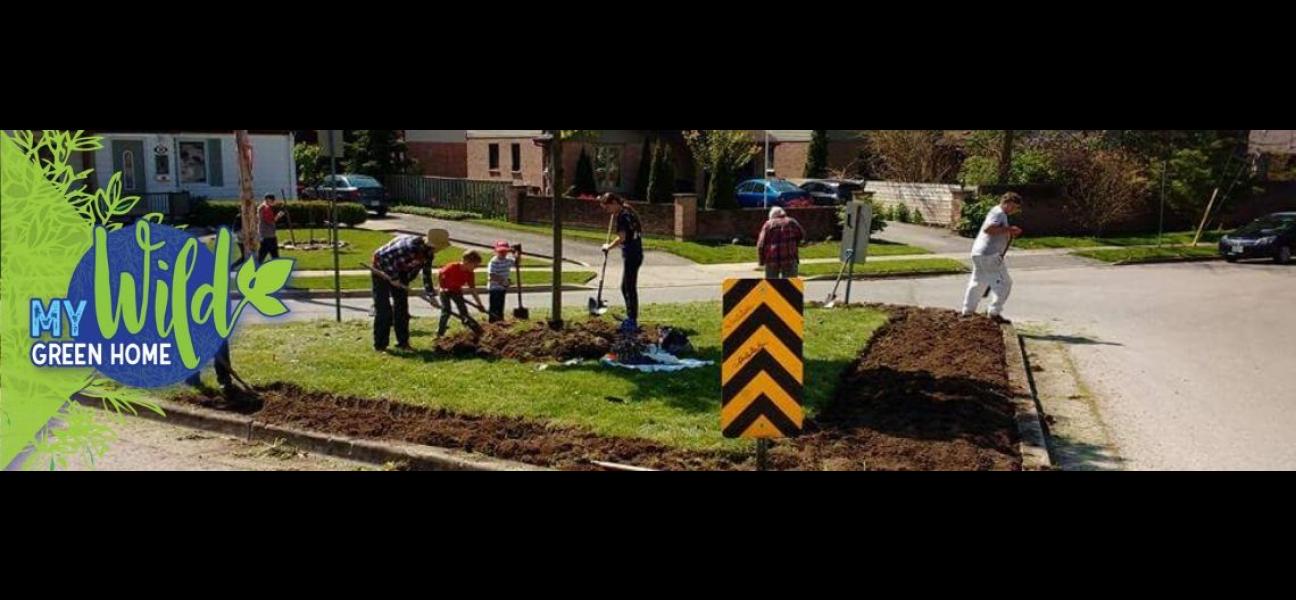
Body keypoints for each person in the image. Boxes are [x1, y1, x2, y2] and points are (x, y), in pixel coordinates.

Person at [372, 229, 450, 351]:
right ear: (432, 244)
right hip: (381, 268)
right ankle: (380, 346)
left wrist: (431, 296)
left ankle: (403, 343)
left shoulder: (429, 252)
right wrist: (394, 278)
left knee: (402, 308)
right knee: (383, 309)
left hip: (401, 270)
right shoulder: (409, 248)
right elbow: (386, 261)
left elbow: (426, 274)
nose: (439, 250)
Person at [961, 192, 1024, 323]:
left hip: (979, 253)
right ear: (1008, 203)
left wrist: (1007, 230)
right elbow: (989, 229)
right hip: (990, 255)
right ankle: (994, 312)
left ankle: (967, 312)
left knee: (978, 282)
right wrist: (1010, 230)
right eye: (1014, 207)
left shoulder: (996, 211)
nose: (1015, 210)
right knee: (1004, 283)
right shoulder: (999, 213)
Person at [599, 193, 644, 327]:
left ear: (614, 203)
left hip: (632, 254)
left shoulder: (623, 217)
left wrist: (608, 247)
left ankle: (632, 319)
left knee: (628, 287)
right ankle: (631, 316)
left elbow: (622, 238)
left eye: (607, 208)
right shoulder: (628, 212)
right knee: (626, 287)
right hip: (636, 252)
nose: (607, 212)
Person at [437, 250, 486, 336]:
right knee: (446, 311)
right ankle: (440, 333)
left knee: (463, 312)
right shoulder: (452, 267)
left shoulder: (470, 274)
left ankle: (475, 330)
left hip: (456, 291)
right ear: (467, 262)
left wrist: (479, 304)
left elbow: (473, 290)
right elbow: (440, 275)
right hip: (445, 291)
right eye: (475, 265)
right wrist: (442, 288)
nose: (476, 267)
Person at [756, 206, 806, 279]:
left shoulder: (768, 224)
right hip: (789, 257)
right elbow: (801, 235)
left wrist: (761, 261)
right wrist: (794, 244)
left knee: (771, 284)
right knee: (790, 284)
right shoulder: (791, 222)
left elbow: (761, 244)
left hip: (771, 259)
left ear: (772, 216)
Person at [486, 241, 518, 323]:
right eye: (500, 252)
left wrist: (516, 254)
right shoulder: (494, 261)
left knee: (500, 306)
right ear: (496, 252)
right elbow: (492, 275)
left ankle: (500, 321)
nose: (503, 253)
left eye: (505, 251)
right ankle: (492, 322)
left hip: (502, 288)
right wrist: (504, 281)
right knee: (494, 306)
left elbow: (517, 263)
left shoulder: (507, 261)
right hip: (494, 288)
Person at [257, 194, 286, 264]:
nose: (273, 201)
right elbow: (270, 221)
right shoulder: (266, 208)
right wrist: (279, 216)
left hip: (267, 234)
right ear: (268, 200)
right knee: (263, 254)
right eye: (272, 200)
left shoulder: (262, 207)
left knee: (273, 254)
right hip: (268, 235)